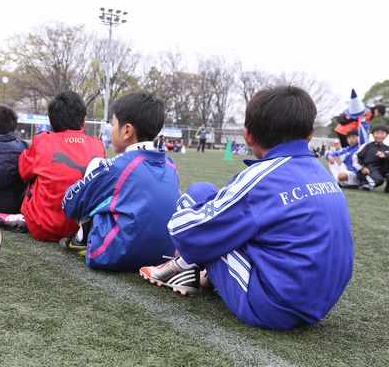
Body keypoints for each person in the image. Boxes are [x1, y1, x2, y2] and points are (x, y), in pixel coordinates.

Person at [140, 86, 353, 330]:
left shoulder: (263, 178)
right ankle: (205, 275)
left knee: (198, 196)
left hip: (273, 305)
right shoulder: (324, 175)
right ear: (309, 135)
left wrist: (179, 203)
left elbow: (186, 231)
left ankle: (180, 267)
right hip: (321, 304)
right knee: (227, 216)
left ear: (248, 135)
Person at [60, 92, 178, 271]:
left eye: (113, 124)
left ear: (127, 131)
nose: (111, 129)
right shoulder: (171, 165)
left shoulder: (119, 166)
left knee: (96, 169)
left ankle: (82, 237)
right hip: (165, 257)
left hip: (113, 254)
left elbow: (70, 204)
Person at [0, 91, 105, 242]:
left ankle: (25, 216)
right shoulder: (98, 145)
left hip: (43, 228)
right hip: (83, 230)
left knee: (33, 177)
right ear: (83, 121)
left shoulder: (42, 141)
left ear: (51, 122)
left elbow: (23, 173)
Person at [352, 125, 389, 191]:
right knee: (379, 180)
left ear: (386, 135)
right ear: (372, 134)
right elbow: (356, 158)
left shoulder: (387, 148)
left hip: (382, 170)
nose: (379, 135)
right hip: (369, 169)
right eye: (377, 133)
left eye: (382, 133)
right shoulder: (367, 146)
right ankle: (365, 184)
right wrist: (362, 168)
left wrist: (385, 156)